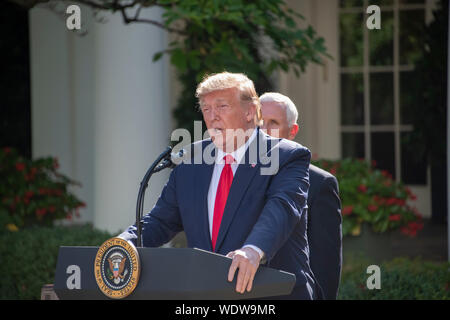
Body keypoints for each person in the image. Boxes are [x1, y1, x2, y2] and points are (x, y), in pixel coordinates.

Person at [119, 72, 319, 299]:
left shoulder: (286, 156)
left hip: (270, 295)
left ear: (250, 112)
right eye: (206, 109)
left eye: (222, 106)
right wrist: (125, 242)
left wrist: (252, 250)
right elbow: (160, 220)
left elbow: (281, 209)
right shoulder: (191, 161)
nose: (212, 116)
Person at [259, 92, 343, 300]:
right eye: (258, 122)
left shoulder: (319, 184)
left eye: (273, 123)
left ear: (292, 131)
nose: (264, 131)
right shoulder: (232, 178)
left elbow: (326, 266)